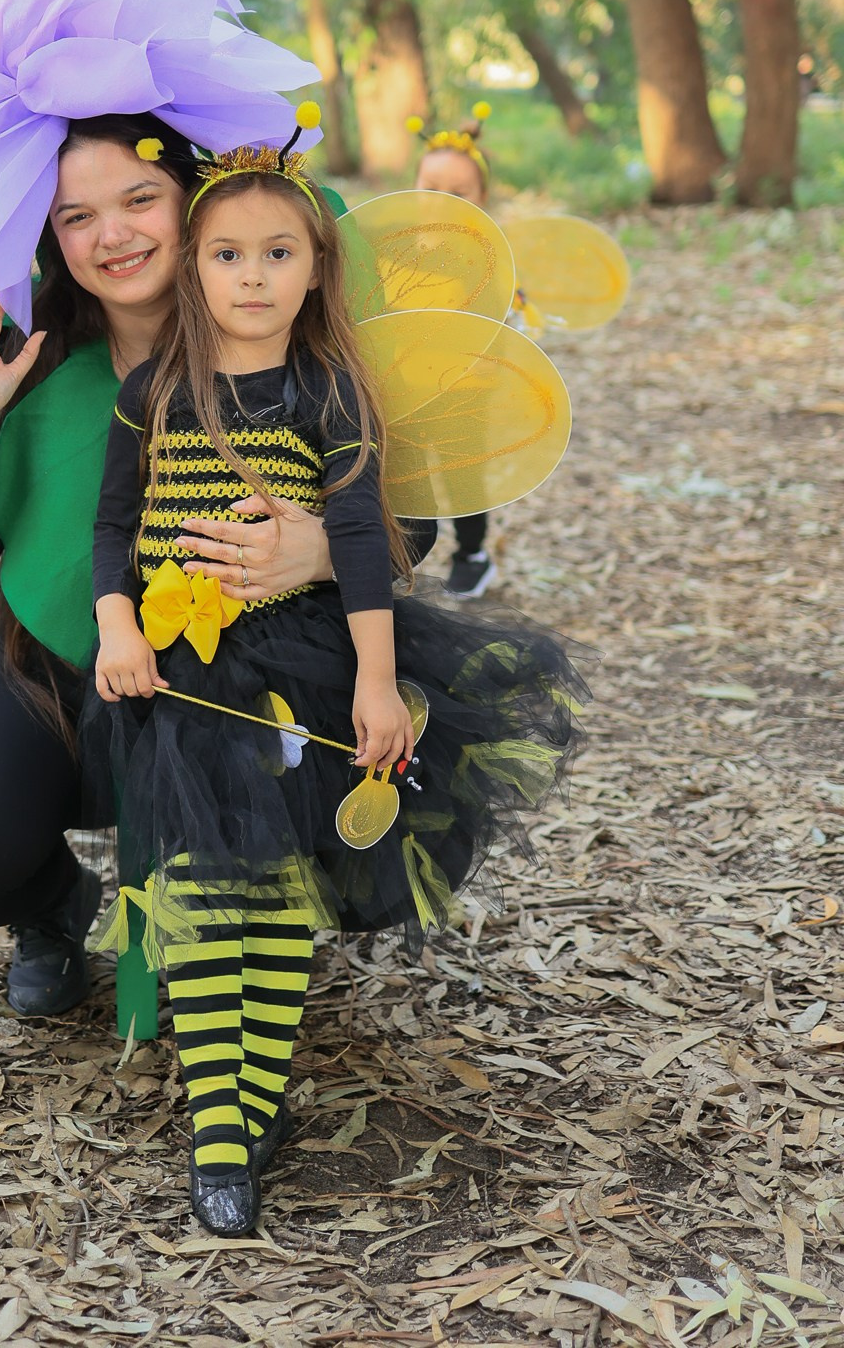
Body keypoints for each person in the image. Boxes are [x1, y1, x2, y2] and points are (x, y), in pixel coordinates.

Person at [0, 0, 382, 1020]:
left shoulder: (288, 336)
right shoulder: (34, 350)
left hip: (252, 681)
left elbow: (407, 515)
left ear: (194, 201)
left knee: (375, 843)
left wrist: (317, 548)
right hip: (56, 674)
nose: (113, 235)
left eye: (140, 198)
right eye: (74, 217)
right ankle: (50, 900)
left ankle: (245, 936)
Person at [81, 128, 587, 1234]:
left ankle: (249, 1099)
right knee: (205, 895)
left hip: (301, 673)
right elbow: (111, 528)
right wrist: (116, 622)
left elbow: (360, 539)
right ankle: (220, 1128)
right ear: (191, 265)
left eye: (276, 254)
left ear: (315, 270)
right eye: (223, 255)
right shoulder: (153, 388)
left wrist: (372, 681)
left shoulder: (326, 390)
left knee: (268, 898)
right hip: (179, 678)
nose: (249, 276)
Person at [412, 103, 498, 600]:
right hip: (408, 385)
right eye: (431, 189)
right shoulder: (394, 243)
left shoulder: (485, 251)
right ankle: (405, 554)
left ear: (482, 198)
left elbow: (500, 313)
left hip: (466, 387)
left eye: (458, 193)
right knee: (406, 475)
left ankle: (473, 553)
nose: (443, 202)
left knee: (462, 475)